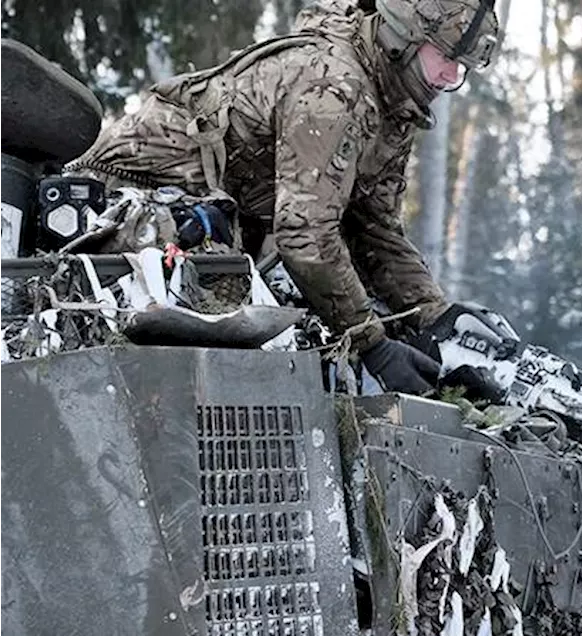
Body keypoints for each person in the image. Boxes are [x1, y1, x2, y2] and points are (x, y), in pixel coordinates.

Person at [67, 0, 501, 394]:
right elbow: (305, 234)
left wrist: (434, 316)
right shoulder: (333, 89)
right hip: (127, 202)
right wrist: (372, 343)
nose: (451, 76)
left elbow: (376, 229)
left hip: (215, 219)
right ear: (405, 37)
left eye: (461, 67)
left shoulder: (392, 99)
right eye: (446, 57)